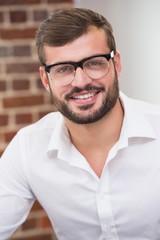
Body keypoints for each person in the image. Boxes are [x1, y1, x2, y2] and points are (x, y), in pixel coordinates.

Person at [1, 7, 160, 240]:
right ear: (46, 79)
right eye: (63, 69)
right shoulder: (28, 148)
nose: (81, 81)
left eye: (94, 63)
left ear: (116, 64)